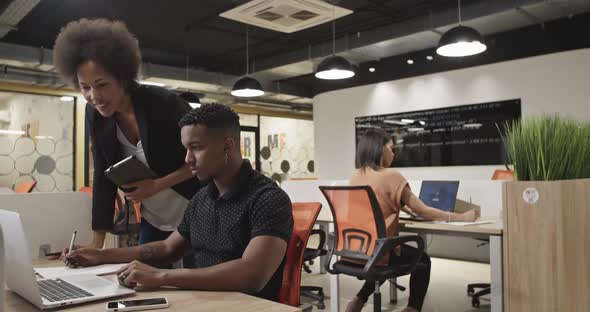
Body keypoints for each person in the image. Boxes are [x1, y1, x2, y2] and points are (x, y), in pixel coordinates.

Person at [64, 104, 294, 301]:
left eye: (196, 148)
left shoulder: (268, 199)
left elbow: (252, 274)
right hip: (202, 301)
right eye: (186, 149)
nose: (187, 159)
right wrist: (99, 255)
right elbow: (167, 249)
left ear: (228, 146)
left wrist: (162, 276)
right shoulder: (201, 199)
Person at [52, 18, 200, 248]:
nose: (94, 96)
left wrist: (156, 185)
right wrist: (97, 242)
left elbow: (201, 160)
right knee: (143, 281)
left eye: (102, 85)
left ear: (122, 78)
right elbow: (103, 174)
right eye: (85, 87)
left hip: (196, 212)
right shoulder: (94, 115)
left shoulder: (164, 104)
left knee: (196, 281)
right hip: (155, 219)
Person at [345, 129, 479, 312]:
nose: (393, 153)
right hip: (379, 251)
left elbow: (376, 203)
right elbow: (423, 210)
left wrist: (400, 206)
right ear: (380, 149)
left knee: (383, 254)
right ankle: (412, 308)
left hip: (356, 248)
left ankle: (358, 300)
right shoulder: (391, 176)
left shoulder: (355, 176)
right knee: (421, 260)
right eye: (391, 148)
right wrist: (460, 217)